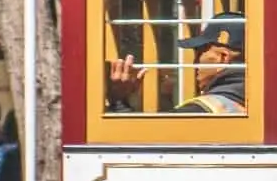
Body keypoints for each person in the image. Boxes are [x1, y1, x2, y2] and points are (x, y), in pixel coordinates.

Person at [106, 13, 248, 115]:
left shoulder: (202, 111)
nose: (194, 63)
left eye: (199, 53)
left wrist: (119, 101)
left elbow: (145, 149)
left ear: (223, 58)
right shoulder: (259, 104)